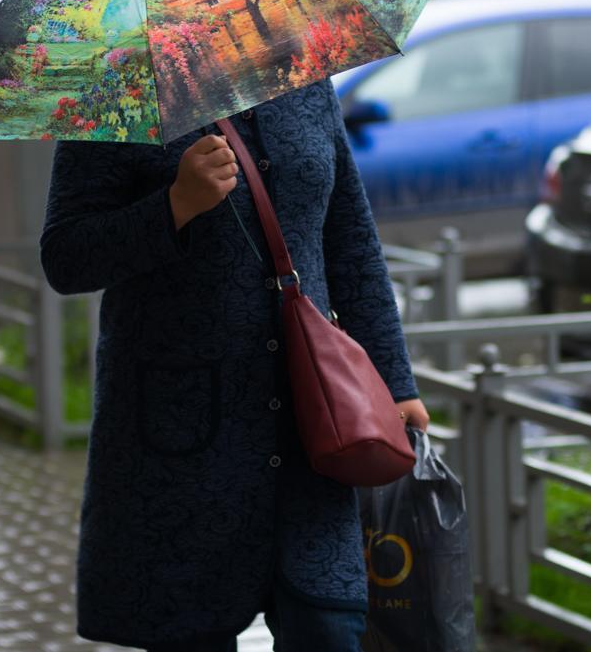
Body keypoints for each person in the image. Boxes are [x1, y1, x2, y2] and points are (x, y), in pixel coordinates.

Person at [40, 79, 428, 652]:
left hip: (313, 427)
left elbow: (350, 238)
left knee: (328, 624)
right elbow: (66, 257)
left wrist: (396, 381)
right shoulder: (115, 92)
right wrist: (176, 205)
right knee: (189, 628)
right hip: (182, 447)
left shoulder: (300, 79)